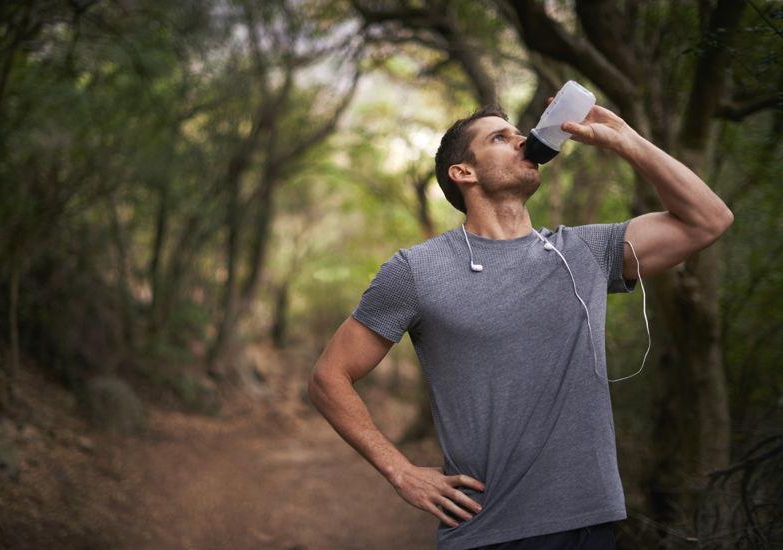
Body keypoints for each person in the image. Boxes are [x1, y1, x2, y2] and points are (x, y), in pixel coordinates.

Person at [307, 102, 733, 550]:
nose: (522, 140)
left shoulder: (584, 252)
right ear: (463, 173)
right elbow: (328, 378)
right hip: (488, 531)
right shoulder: (417, 271)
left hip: (593, 523)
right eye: (499, 137)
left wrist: (625, 139)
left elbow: (710, 219)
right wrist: (401, 471)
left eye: (518, 133)